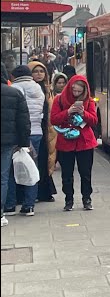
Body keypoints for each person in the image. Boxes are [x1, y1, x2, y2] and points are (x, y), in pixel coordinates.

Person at [51, 74, 98, 211]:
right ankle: (68, 199)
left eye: (79, 92)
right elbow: (53, 119)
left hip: (85, 142)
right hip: (66, 142)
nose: (76, 94)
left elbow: (94, 121)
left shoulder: (89, 101)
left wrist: (84, 113)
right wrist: (68, 112)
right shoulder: (59, 100)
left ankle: (86, 198)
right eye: (74, 91)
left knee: (85, 173)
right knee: (67, 174)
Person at [8, 65, 47, 215]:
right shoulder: (38, 88)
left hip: (18, 134)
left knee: (10, 169)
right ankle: (29, 205)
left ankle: (10, 204)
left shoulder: (15, 88)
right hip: (36, 132)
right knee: (31, 167)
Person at [1, 65, 32, 223]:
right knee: (3, 177)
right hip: (6, 142)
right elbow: (23, 121)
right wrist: (24, 143)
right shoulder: (14, 93)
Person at [27, 61, 59, 203]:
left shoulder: (48, 90)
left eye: (41, 71)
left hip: (46, 130)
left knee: (45, 159)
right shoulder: (27, 89)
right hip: (33, 129)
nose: (39, 74)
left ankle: (44, 191)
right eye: (35, 71)